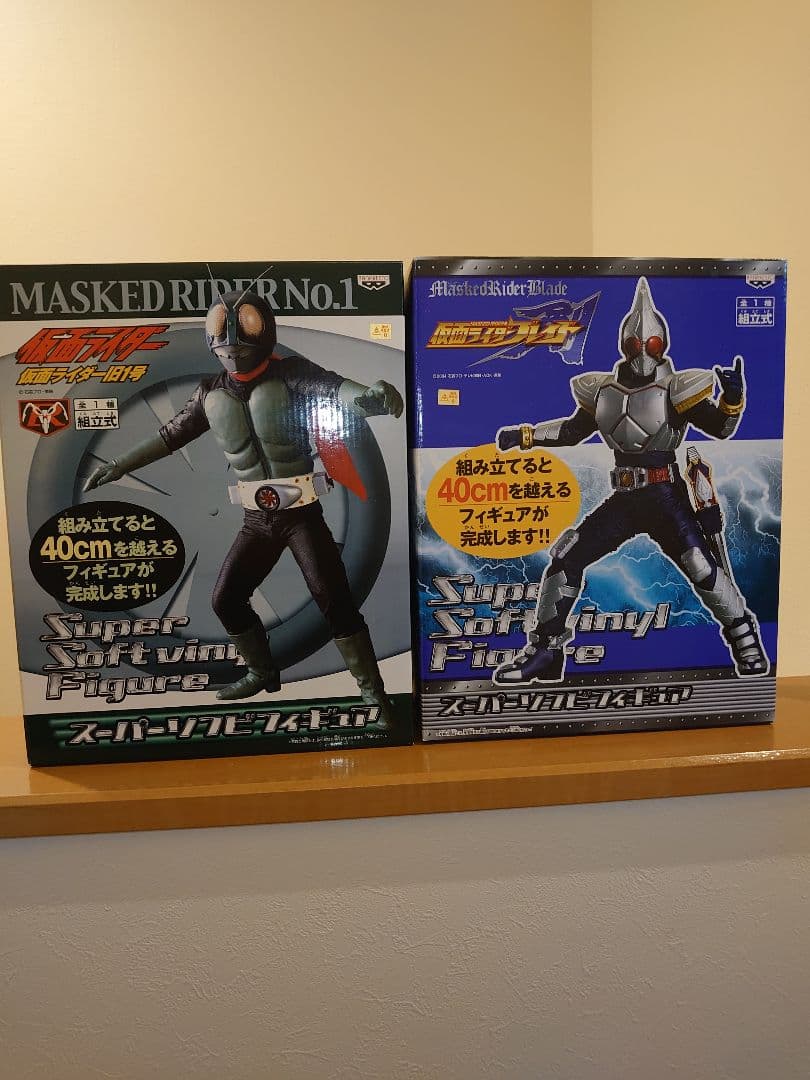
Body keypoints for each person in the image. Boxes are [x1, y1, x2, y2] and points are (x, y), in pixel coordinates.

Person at [85, 288, 403, 713]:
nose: (232, 340)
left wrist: (369, 396)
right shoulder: (208, 393)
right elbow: (170, 436)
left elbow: (333, 389)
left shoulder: (290, 374)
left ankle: (373, 693)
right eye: (222, 327)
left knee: (335, 602)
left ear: (264, 328)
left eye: (244, 324)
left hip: (301, 515)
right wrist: (119, 463)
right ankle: (261, 671)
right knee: (226, 599)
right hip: (257, 520)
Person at [494, 276, 767, 684]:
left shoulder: (678, 388)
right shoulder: (601, 390)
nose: (643, 351)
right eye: (636, 344)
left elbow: (720, 428)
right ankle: (545, 652)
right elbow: (571, 430)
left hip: (666, 498)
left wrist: (731, 400)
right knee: (566, 559)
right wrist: (526, 436)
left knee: (701, 565)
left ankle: (746, 641)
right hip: (624, 499)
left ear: (662, 345)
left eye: (651, 344)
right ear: (624, 345)